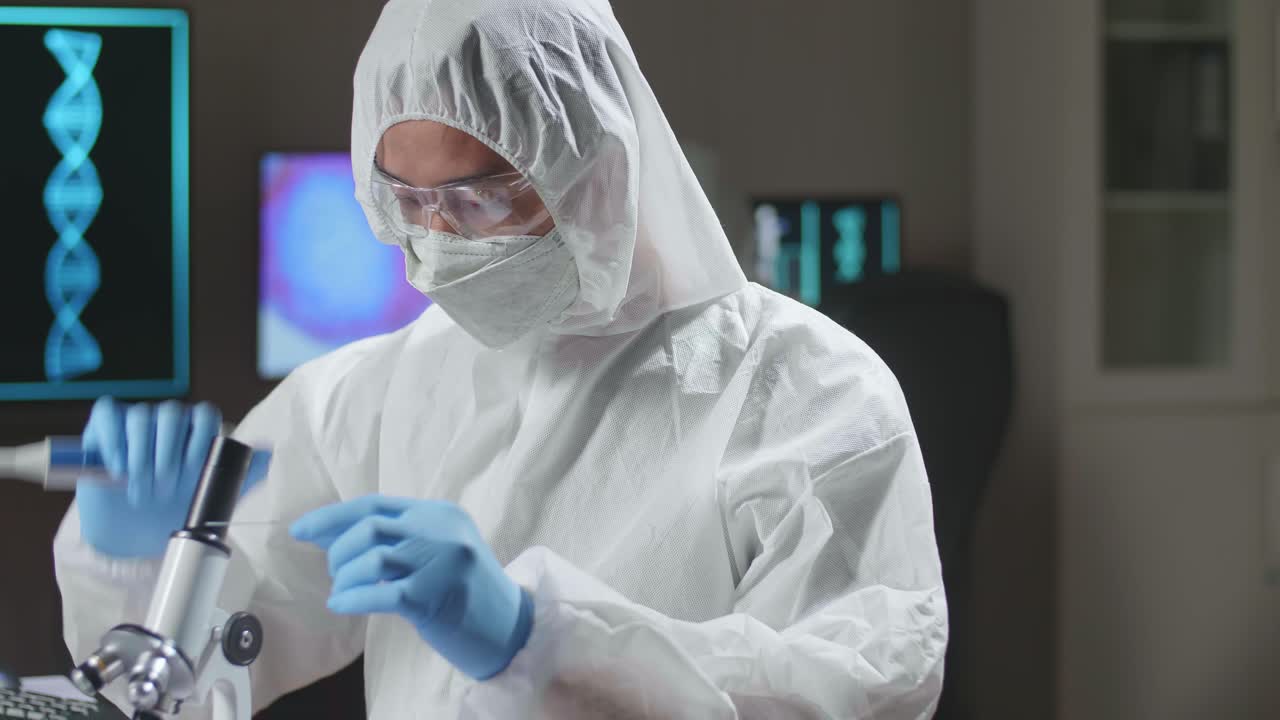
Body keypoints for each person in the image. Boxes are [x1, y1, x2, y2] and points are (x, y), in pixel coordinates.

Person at [53, 0, 948, 716]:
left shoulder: (808, 391)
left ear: (595, 167)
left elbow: (858, 688)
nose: (436, 241)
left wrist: (541, 639)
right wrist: (144, 562)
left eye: (479, 199)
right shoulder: (373, 393)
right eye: (407, 199)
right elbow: (190, 684)